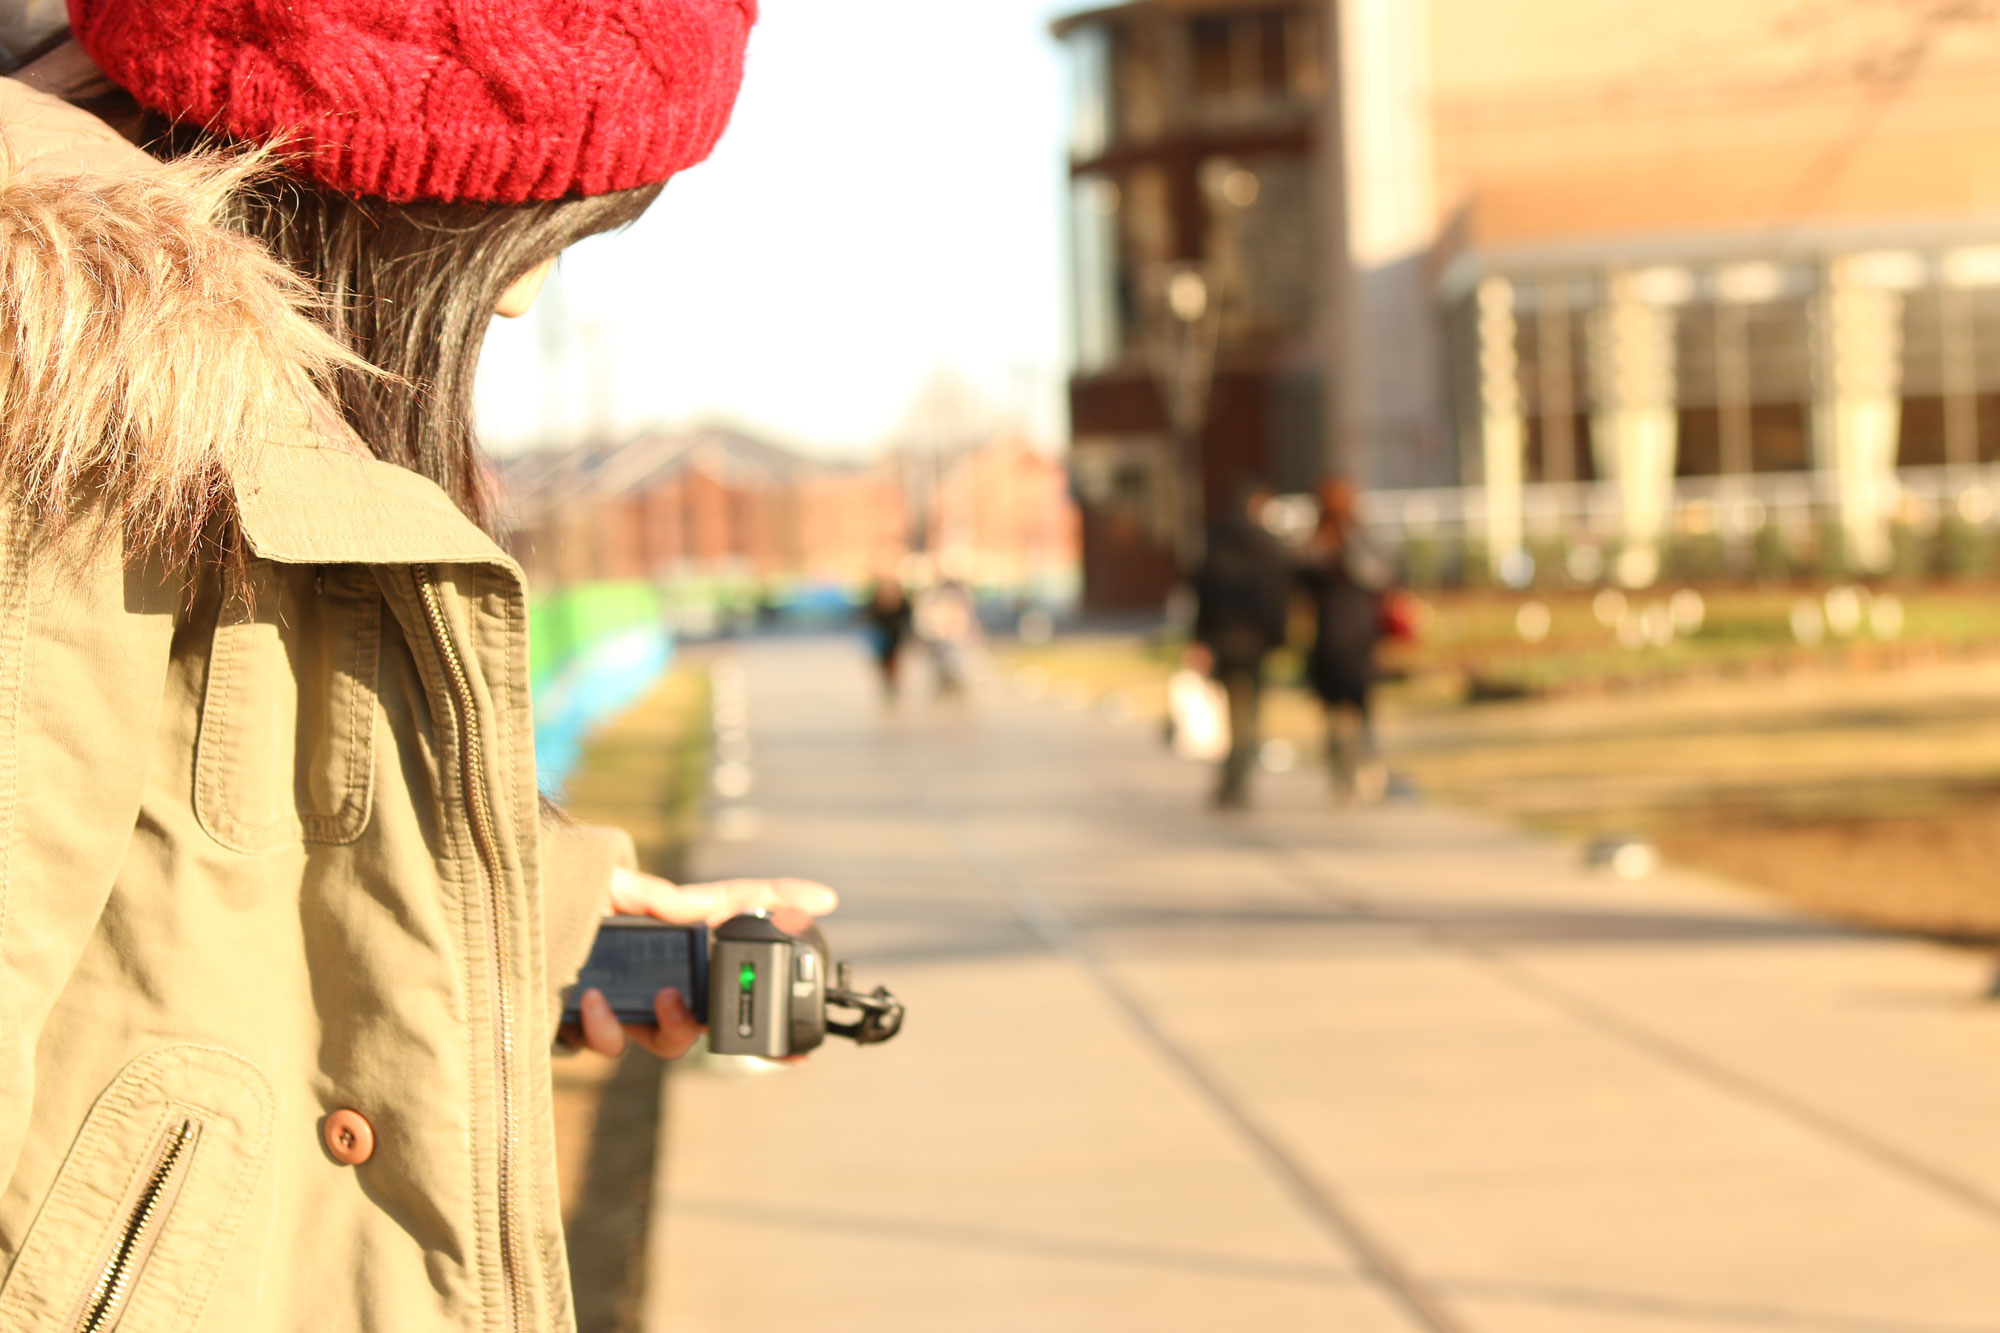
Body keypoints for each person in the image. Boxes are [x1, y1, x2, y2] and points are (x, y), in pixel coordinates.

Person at [0, 5, 834, 1331]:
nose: (518, 293)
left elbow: (188, 890)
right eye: (535, 234)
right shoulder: (52, 410)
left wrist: (538, 923)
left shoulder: (164, 410)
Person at [1189, 481, 1292, 808]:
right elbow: (1279, 596)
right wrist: (1278, 637)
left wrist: (1200, 638)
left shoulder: (1217, 541)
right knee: (1249, 712)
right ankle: (1237, 778)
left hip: (1224, 638)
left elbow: (1202, 593)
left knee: (1234, 711)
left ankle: (1232, 779)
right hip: (1256, 640)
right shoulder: (1267, 545)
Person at [1300, 478, 1391, 804]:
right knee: (1361, 708)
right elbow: (1382, 579)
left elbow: (1301, 587)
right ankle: (1365, 770)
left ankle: (1343, 777)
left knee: (1334, 714)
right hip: (1357, 635)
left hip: (1330, 638)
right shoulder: (1359, 541)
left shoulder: (1317, 545)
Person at [862, 574, 916, 701]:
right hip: (882, 637)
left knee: (893, 661)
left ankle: (893, 684)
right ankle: (888, 684)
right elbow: (869, 618)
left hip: (895, 636)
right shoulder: (876, 603)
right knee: (883, 663)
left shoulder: (900, 602)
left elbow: (907, 617)